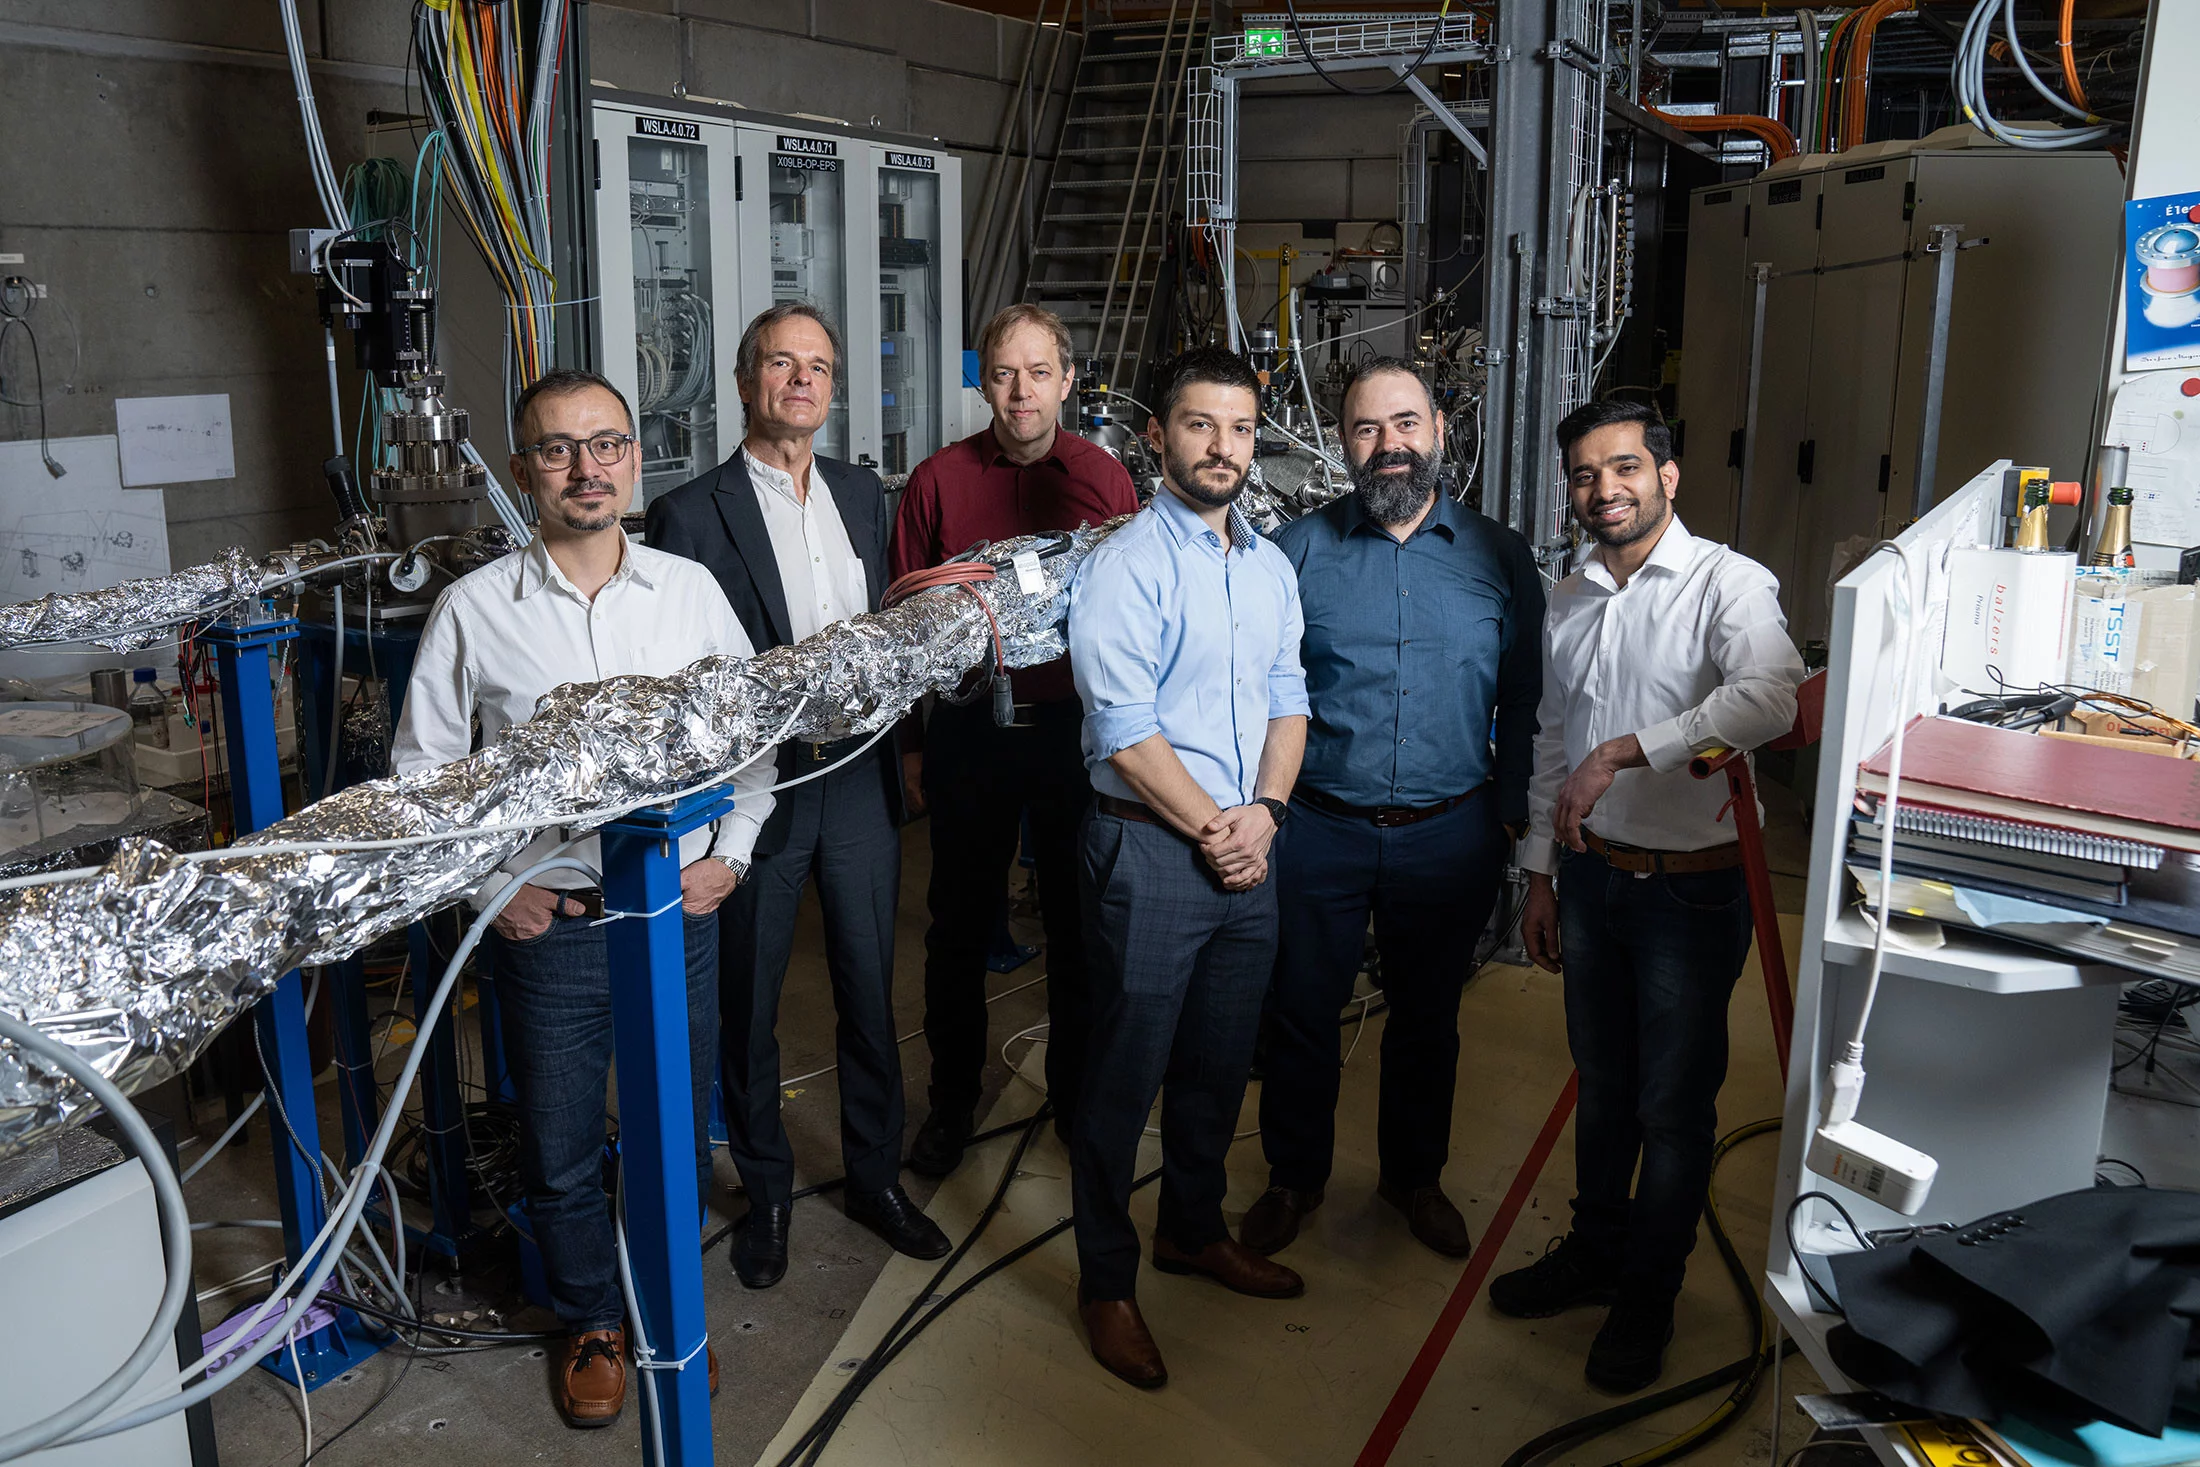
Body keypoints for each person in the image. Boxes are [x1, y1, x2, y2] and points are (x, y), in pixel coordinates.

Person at [391, 368, 774, 1428]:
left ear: (633, 459)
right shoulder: (476, 611)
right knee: (558, 1148)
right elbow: (426, 783)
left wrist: (732, 852)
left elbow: (754, 740)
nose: (585, 467)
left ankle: (667, 1303)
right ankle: (592, 1318)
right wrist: (484, 891)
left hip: (673, 923)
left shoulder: (689, 592)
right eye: (558, 450)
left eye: (604, 444)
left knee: (675, 1134)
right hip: (551, 928)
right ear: (524, 473)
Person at [1489, 397, 1803, 1394]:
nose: (1602, 490)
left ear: (1667, 476)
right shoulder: (1570, 595)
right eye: (1583, 475)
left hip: (1687, 896)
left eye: (1622, 468)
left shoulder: (1727, 583)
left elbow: (1770, 695)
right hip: (1588, 881)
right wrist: (1538, 873)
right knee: (1602, 1086)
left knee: (1671, 1108)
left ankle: (1647, 1295)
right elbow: (1546, 736)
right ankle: (1595, 1249)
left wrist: (1626, 751)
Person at [645, 302, 950, 1292]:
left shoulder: (864, 494)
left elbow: (886, 637)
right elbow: (684, 678)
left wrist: (903, 749)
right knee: (751, 997)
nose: (802, 381)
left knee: (870, 987)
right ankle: (766, 1191)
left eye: (818, 365)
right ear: (746, 383)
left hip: (857, 777)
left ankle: (874, 1177)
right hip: (759, 790)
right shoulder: (691, 514)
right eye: (783, 364)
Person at [1244, 358, 1544, 1261]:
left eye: (1405, 425)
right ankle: (1294, 1178)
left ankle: (1414, 1178)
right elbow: (1257, 689)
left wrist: (1508, 817)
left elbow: (1528, 699)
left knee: (1427, 1020)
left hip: (1449, 833)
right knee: (1300, 1013)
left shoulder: (1500, 555)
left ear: (1440, 431)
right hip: (1321, 829)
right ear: (1343, 444)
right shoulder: (1295, 553)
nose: (1390, 446)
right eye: (1368, 430)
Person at [1065, 345, 1310, 1389]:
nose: (1224, 447)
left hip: (1248, 845)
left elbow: (1289, 697)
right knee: (1121, 1079)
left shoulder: (1267, 563)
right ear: (1158, 437)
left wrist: (1267, 813)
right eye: (1201, 426)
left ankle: (1192, 1231)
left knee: (1217, 1064)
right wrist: (1222, 827)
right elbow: (1123, 730)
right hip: (1154, 853)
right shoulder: (1123, 564)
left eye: (1242, 428)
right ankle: (1106, 1282)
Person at [888, 304, 1141, 1178]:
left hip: (1075, 735)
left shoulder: (1105, 480)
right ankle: (951, 1106)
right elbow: (905, 629)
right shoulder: (938, 482)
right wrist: (914, 749)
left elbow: (1133, 618)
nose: (1021, 392)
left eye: (1039, 372)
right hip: (968, 733)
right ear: (983, 380)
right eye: (1004, 373)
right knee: (957, 928)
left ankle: (1076, 1100)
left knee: (1081, 927)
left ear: (1068, 380)